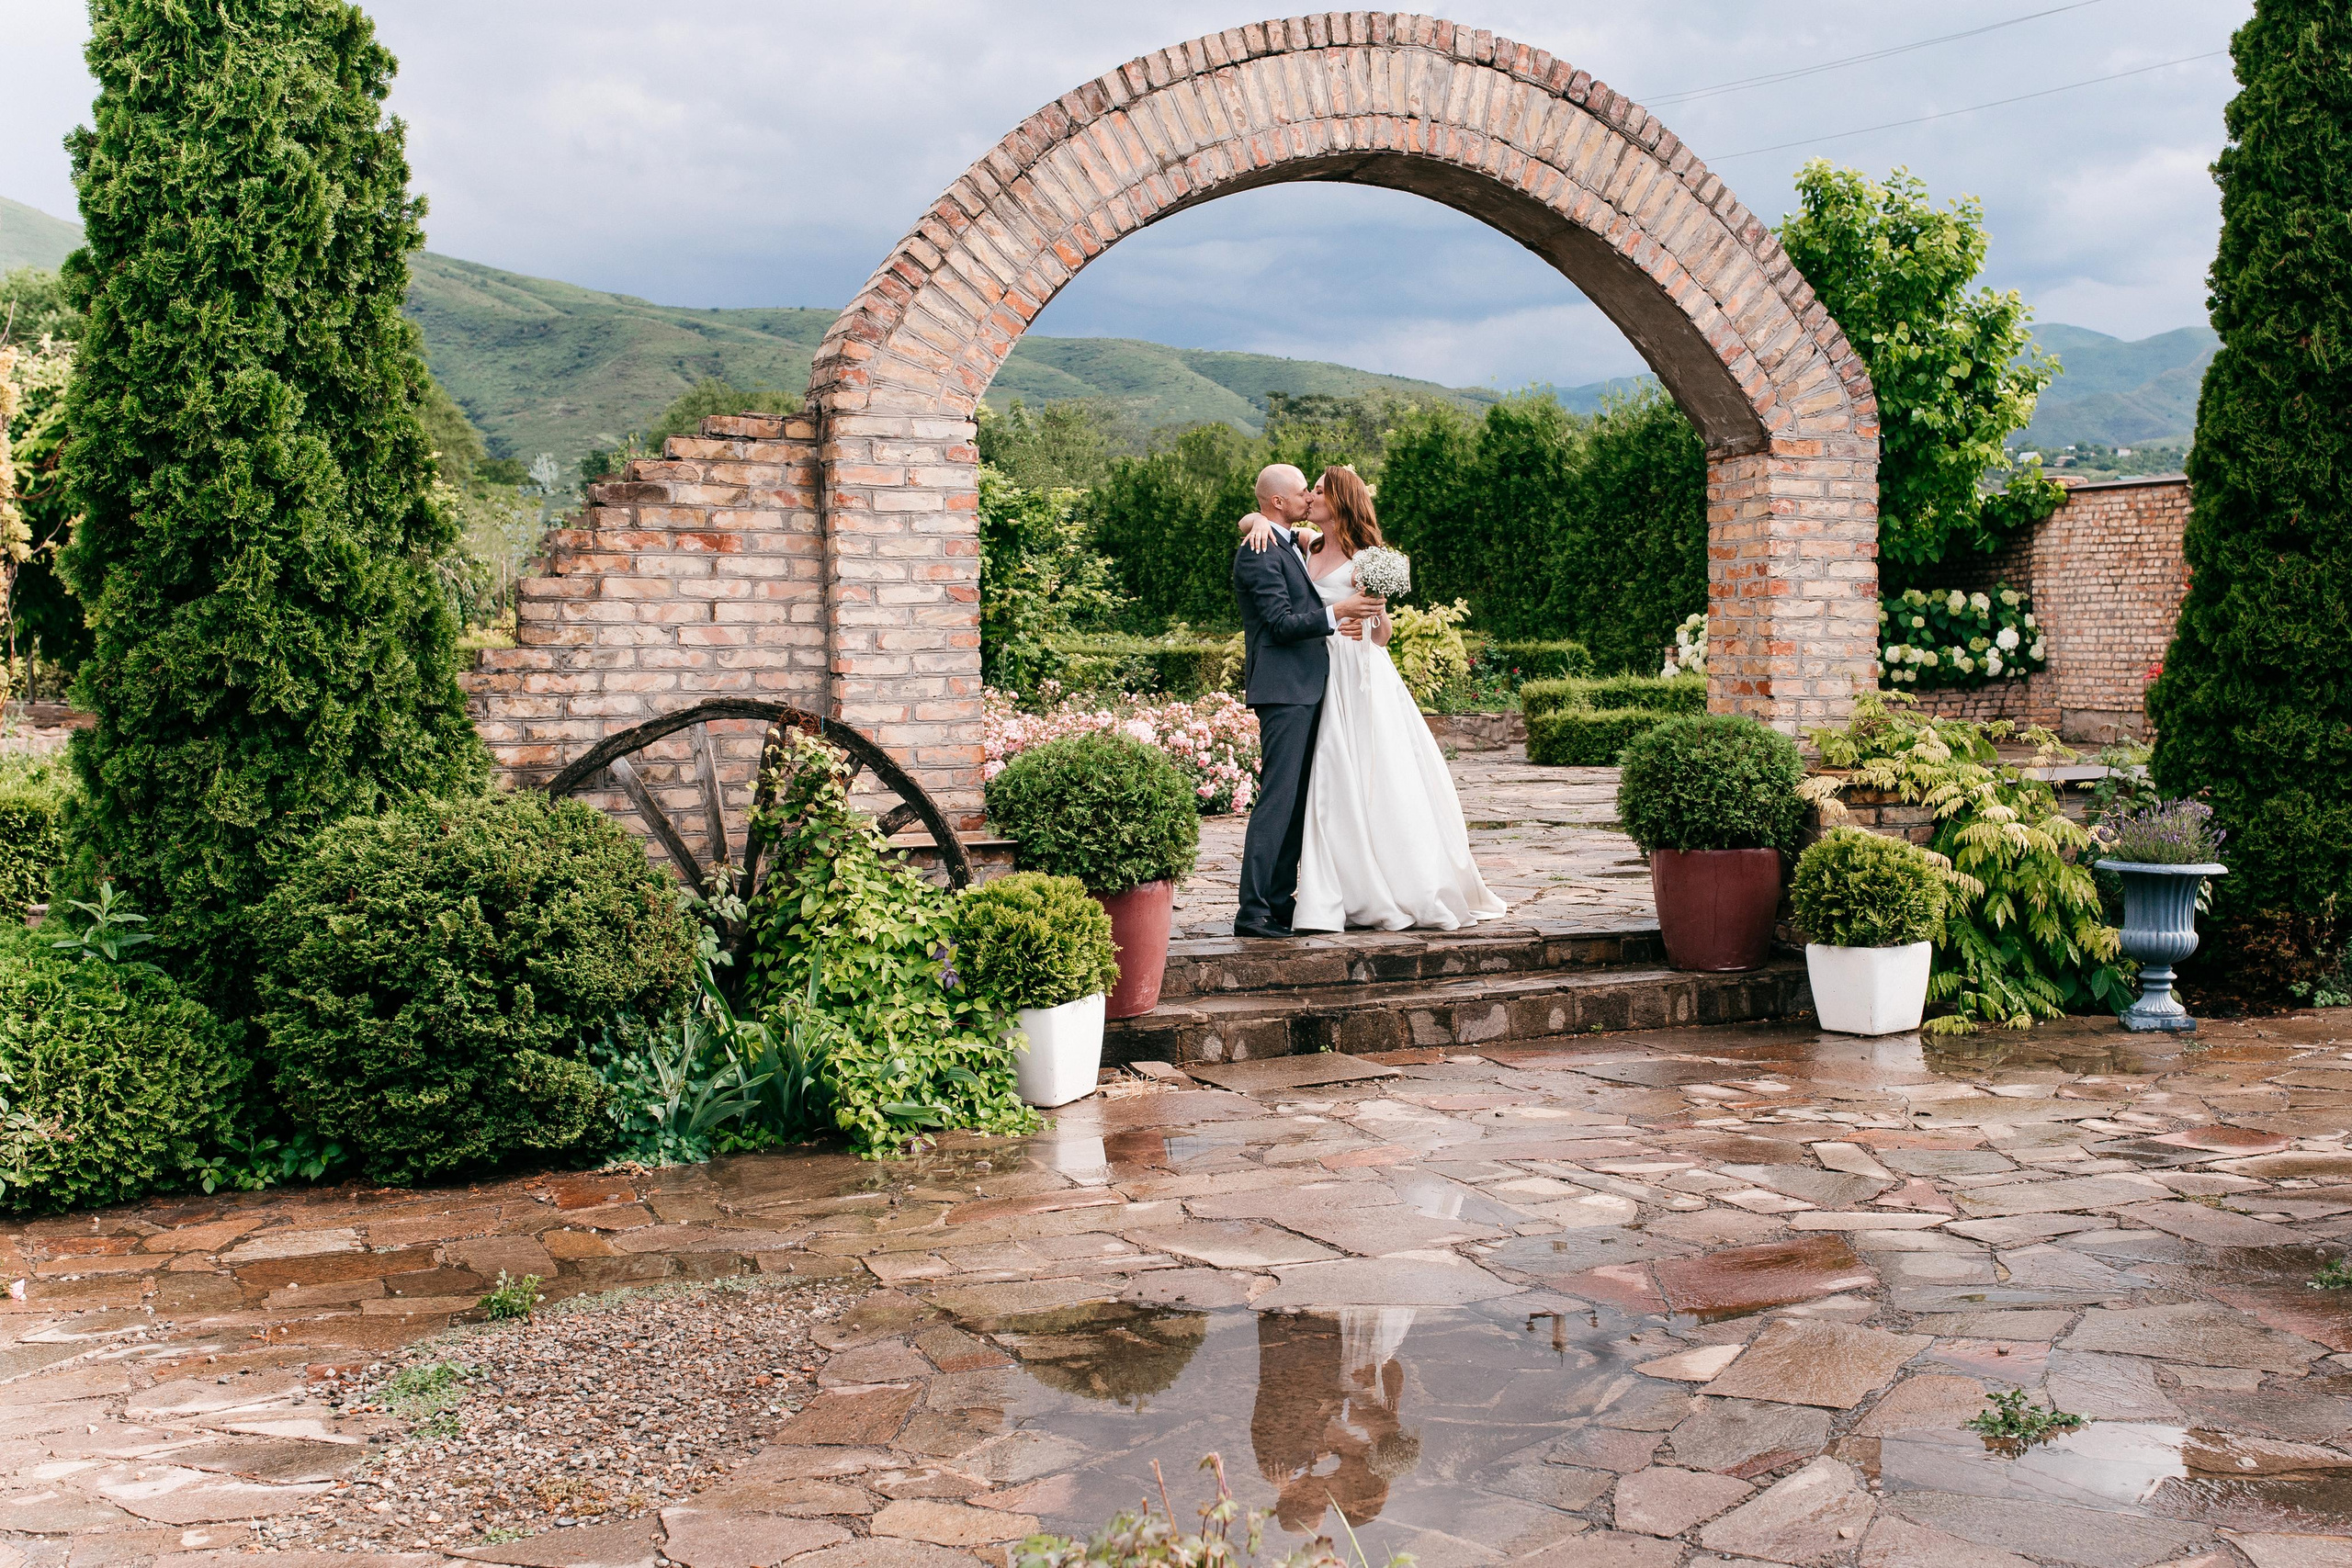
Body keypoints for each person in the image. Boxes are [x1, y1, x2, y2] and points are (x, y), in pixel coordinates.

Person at [1238, 467, 1505, 932]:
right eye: (1306, 491)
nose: (1310, 496)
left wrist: (1372, 614)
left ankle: (1327, 890)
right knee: (1304, 791)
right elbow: (1263, 523)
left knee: (1346, 783)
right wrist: (1255, 519)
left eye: (1317, 491)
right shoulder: (1302, 544)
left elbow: (1381, 635)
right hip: (1311, 673)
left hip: (1350, 672)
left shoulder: (1358, 555)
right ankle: (1264, 907)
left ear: (1338, 502)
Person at [1229, 463, 1385, 939]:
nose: (1307, 498)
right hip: (1284, 688)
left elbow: (1262, 521)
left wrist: (1254, 519)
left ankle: (1279, 901)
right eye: (1301, 492)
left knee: (1296, 799)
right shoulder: (1259, 552)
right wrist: (1339, 612)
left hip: (1309, 684)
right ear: (1278, 502)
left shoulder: (1290, 542)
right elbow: (1279, 622)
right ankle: (1253, 911)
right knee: (1277, 799)